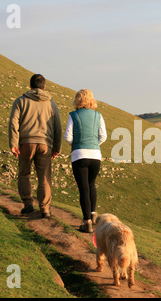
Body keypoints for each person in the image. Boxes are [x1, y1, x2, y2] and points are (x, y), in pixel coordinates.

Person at [8, 74, 62, 218]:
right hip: (45, 144)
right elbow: (58, 127)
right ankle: (45, 209)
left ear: (30, 86)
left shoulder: (21, 101)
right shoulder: (51, 104)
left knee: (24, 173)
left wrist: (13, 143)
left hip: (26, 143)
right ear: (44, 87)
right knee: (44, 177)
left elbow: (14, 122)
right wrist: (57, 147)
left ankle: (28, 204)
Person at [64, 89, 107, 233]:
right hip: (95, 154)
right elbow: (103, 136)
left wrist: (77, 145)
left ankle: (86, 222)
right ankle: (93, 215)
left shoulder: (73, 115)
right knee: (91, 184)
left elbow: (68, 136)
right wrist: (94, 145)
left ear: (77, 100)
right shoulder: (98, 115)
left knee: (83, 189)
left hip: (79, 154)